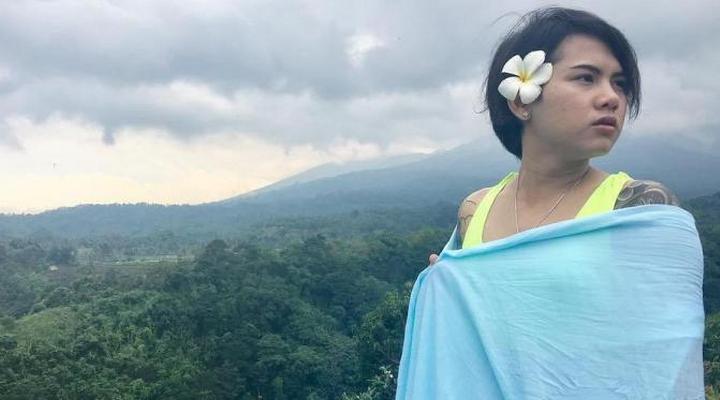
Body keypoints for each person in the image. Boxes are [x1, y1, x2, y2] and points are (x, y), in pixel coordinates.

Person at [429, 6, 680, 264]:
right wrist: (444, 281)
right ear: (521, 102)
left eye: (620, 84)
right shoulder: (474, 209)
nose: (612, 98)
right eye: (586, 78)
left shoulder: (641, 204)